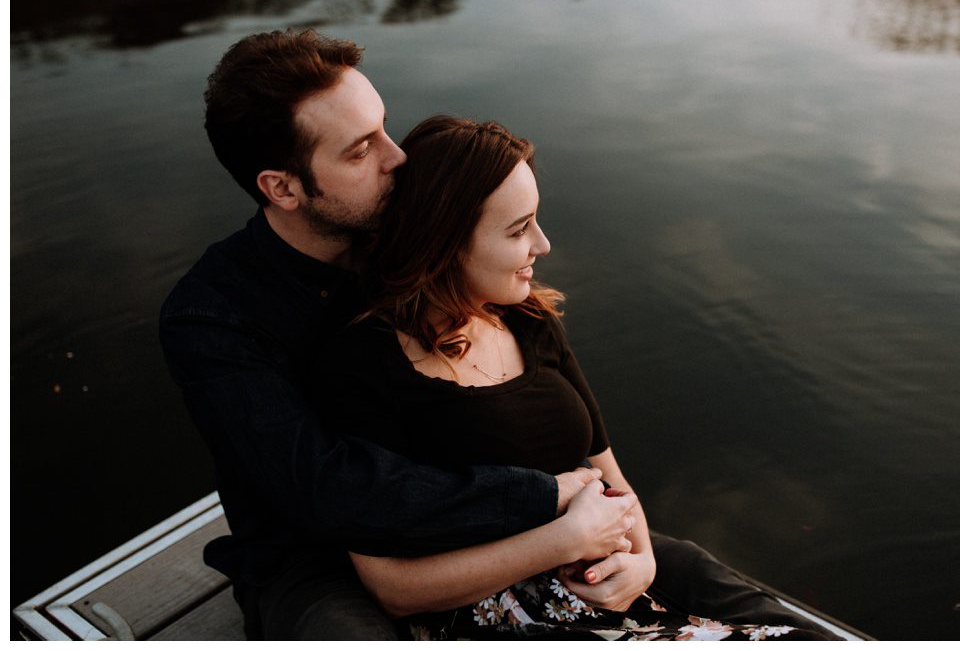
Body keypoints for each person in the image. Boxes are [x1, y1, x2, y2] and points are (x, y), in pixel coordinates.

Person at [160, 28, 841, 640]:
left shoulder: (408, 242)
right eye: (362, 149)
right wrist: (542, 496)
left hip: (505, 524)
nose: (398, 159)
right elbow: (331, 492)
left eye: (386, 128)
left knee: (703, 575)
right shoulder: (214, 318)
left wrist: (620, 534)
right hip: (318, 560)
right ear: (283, 187)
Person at [305, 116, 837, 640]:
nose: (543, 244)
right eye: (518, 230)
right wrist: (564, 541)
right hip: (499, 621)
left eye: (535, 221)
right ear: (443, 244)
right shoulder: (366, 364)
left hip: (610, 596)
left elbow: (610, 475)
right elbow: (392, 588)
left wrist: (644, 563)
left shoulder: (528, 319)